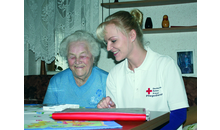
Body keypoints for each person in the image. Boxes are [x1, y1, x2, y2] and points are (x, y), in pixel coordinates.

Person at [96, 9, 189, 130]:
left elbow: (179, 115)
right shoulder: (115, 74)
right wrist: (111, 111)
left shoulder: (165, 65)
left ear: (132, 35)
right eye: (106, 42)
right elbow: (119, 122)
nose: (108, 48)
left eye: (113, 40)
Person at [43, 30, 108, 108]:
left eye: (83, 56)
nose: (77, 61)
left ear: (93, 57)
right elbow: (46, 113)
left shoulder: (107, 80)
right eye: (72, 57)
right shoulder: (57, 82)